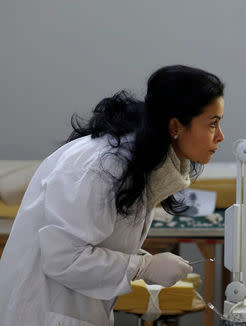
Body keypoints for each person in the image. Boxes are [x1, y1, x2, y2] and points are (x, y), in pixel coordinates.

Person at [0, 65, 225, 326]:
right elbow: (64, 259)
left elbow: (98, 239)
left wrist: (141, 262)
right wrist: (143, 267)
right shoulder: (103, 168)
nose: (220, 136)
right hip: (40, 312)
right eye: (212, 124)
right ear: (175, 126)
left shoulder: (141, 160)